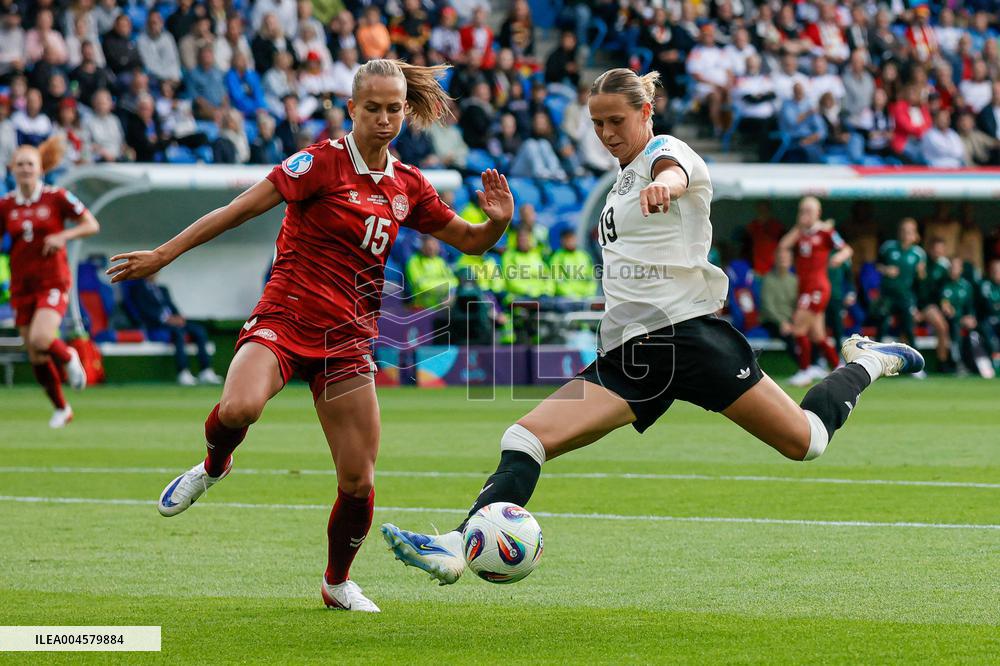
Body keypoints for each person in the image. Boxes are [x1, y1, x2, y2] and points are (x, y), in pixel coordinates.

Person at [380, 68, 924, 585]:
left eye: (616, 120)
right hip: (631, 356)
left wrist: (667, 184)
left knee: (806, 442)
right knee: (525, 437)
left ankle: (867, 361)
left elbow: (675, 169)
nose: (606, 133)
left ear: (646, 112)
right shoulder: (617, 185)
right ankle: (457, 546)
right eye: (597, 123)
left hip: (688, 339)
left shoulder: (667, 152)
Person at [105, 59, 514, 612]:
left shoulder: (409, 185)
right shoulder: (318, 163)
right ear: (351, 109)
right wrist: (163, 255)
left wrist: (497, 222)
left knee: (358, 480)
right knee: (240, 408)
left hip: (347, 340)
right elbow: (235, 211)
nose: (385, 119)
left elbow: (470, 241)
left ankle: (337, 582)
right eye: (373, 108)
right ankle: (213, 465)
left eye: (394, 109)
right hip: (286, 318)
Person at [2, 144, 99, 427]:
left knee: (41, 338)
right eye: (20, 164)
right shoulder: (6, 205)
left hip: (52, 280)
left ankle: (69, 355)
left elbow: (91, 224)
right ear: (12, 169)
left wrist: (62, 236)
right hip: (21, 285)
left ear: (40, 169)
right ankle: (62, 408)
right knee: (35, 353)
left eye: (29, 164)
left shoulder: (56, 197)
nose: (25, 169)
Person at [780, 196, 853, 386]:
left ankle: (805, 371)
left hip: (817, 287)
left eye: (809, 211)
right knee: (818, 335)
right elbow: (783, 246)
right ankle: (839, 368)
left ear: (818, 213)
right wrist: (798, 227)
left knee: (798, 328)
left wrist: (839, 258)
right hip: (805, 287)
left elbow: (846, 249)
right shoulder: (800, 233)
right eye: (802, 211)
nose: (805, 214)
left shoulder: (826, 232)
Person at [129, 274, 222, 386]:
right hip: (157, 324)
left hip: (173, 321)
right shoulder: (138, 290)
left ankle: (206, 371)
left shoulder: (163, 289)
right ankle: (183, 372)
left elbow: (172, 306)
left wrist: (178, 317)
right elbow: (144, 311)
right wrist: (166, 319)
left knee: (199, 331)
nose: (154, 274)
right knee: (179, 333)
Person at [876, 218, 926, 347]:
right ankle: (874, 356)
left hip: (906, 296)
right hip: (887, 294)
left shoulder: (919, 254)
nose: (906, 234)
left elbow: (921, 281)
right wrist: (886, 269)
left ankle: (914, 358)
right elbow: (876, 266)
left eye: (909, 231)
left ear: (915, 234)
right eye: (903, 231)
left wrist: (921, 273)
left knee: (909, 327)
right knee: (882, 324)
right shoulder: (888, 247)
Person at [759, 247, 799, 365]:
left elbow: (797, 305)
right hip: (772, 321)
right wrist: (782, 322)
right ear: (775, 260)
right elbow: (767, 307)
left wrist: (794, 322)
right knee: (789, 336)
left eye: (786, 258)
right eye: (780, 258)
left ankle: (814, 363)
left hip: (790, 321)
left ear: (791, 261)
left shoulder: (795, 280)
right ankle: (802, 366)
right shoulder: (768, 280)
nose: (783, 261)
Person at [547, 228, 596, 300]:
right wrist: (572, 296)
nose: (570, 242)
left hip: (586, 298)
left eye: (572, 238)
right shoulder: (557, 257)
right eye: (567, 239)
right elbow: (557, 281)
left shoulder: (584, 256)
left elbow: (592, 278)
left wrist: (589, 294)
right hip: (567, 299)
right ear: (562, 241)